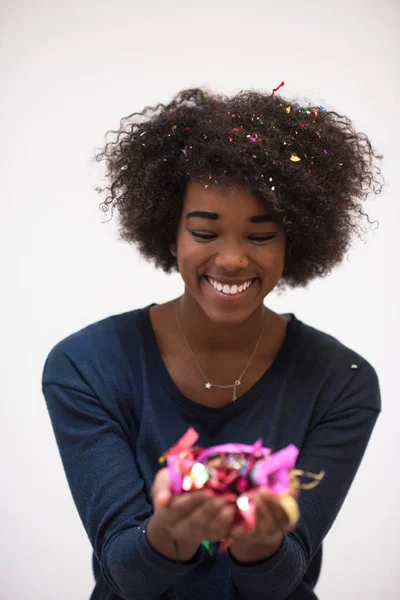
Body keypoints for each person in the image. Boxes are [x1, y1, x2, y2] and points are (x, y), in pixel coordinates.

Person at [42, 86, 384, 600]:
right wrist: (169, 535)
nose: (231, 260)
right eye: (205, 232)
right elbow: (127, 574)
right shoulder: (86, 366)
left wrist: (260, 542)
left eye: (260, 236)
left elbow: (280, 581)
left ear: (296, 239)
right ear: (170, 233)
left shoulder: (341, 383)